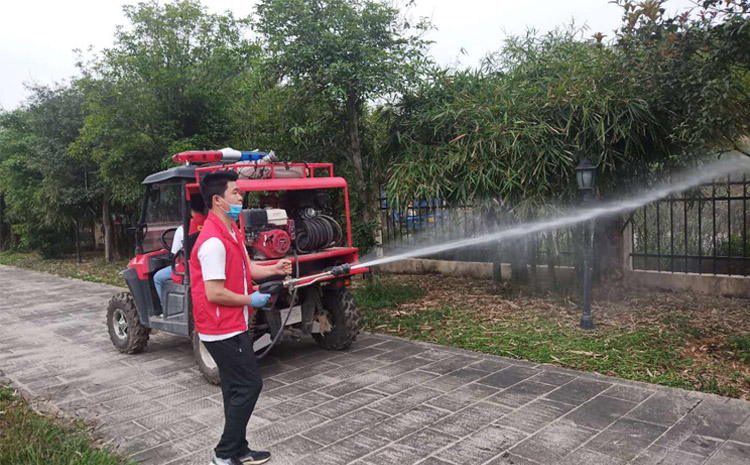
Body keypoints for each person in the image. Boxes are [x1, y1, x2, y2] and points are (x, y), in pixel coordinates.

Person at [190, 170, 291, 465]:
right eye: (235, 192)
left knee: (235, 387)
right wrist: (252, 299)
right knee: (250, 385)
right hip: (220, 328)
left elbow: (247, 268)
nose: (241, 196)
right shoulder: (211, 242)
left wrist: (275, 269)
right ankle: (223, 454)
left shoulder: (230, 231)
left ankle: (238, 448)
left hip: (233, 322)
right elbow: (214, 293)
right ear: (218, 200)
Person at [153, 195, 207, 304]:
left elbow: (175, 256)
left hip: (190, 270)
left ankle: (166, 311)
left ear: (189, 208)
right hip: (206, 266)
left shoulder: (182, 229)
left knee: (157, 278)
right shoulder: (211, 224)